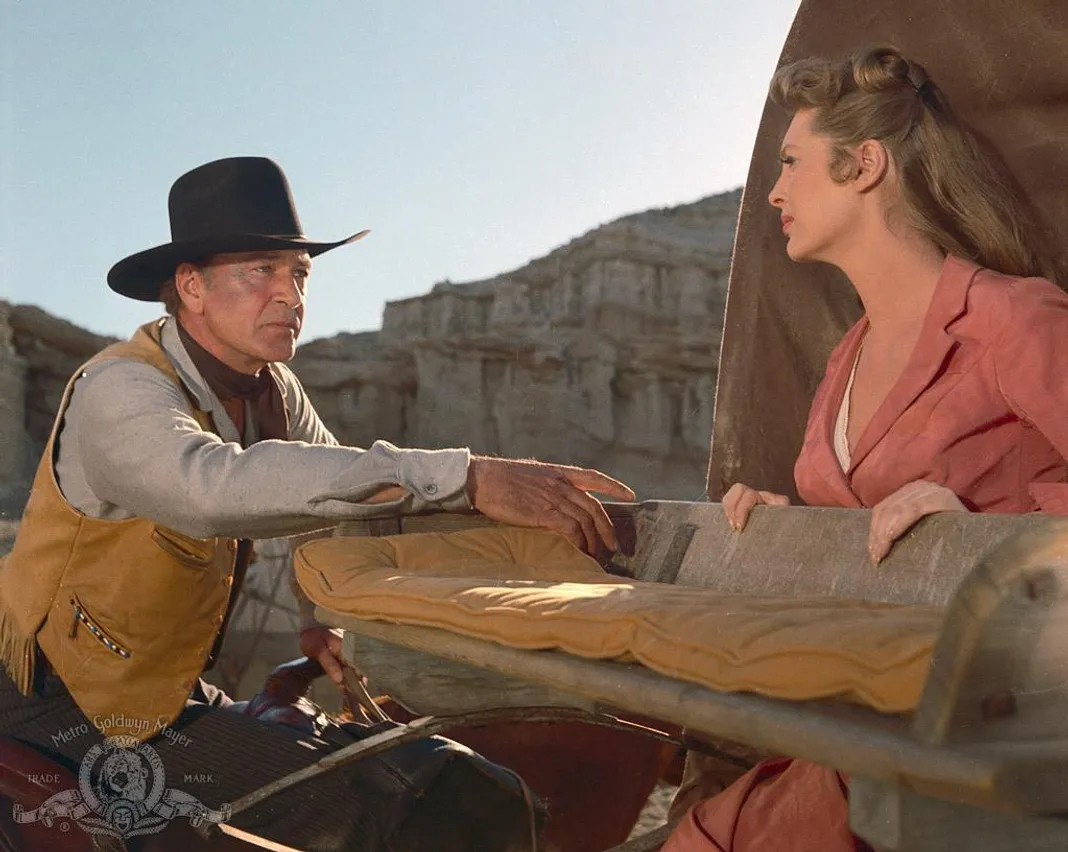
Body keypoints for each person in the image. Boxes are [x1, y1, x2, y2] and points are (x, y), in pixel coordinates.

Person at [0, 156, 635, 851]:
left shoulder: (273, 389)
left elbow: (334, 506)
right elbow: (207, 489)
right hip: (56, 701)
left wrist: (315, 617)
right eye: (260, 271)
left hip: (158, 691)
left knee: (434, 773)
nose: (290, 295)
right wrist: (470, 477)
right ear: (191, 287)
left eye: (299, 274)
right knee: (402, 804)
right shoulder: (119, 388)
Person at [665, 45, 1068, 852]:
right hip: (855, 734)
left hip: (990, 750)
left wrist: (984, 539)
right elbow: (868, 528)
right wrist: (787, 531)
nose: (773, 191)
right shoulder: (844, 359)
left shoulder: (1015, 320)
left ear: (865, 165)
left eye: (791, 162)